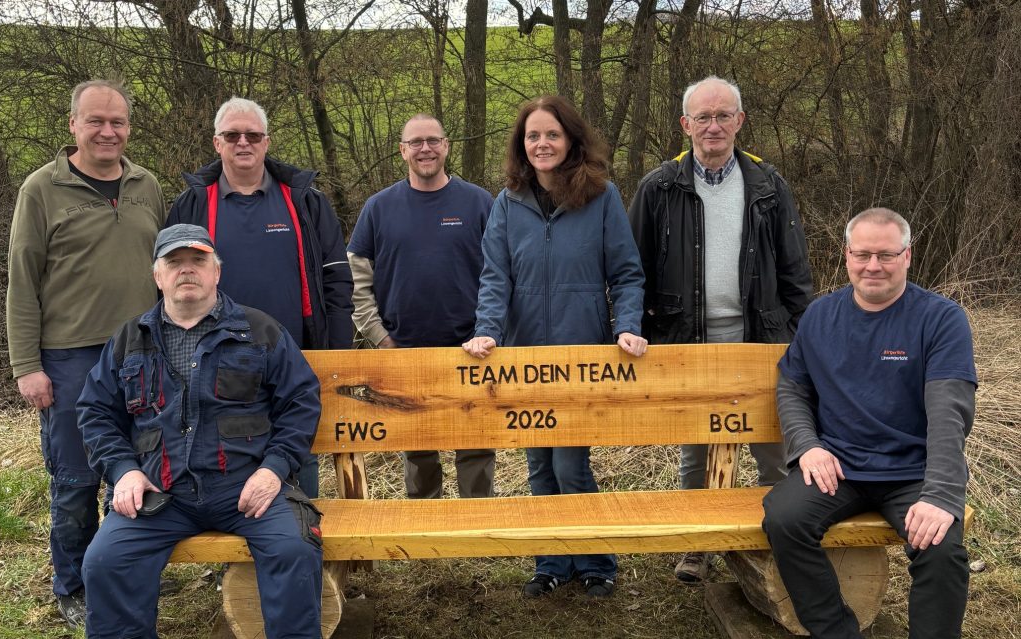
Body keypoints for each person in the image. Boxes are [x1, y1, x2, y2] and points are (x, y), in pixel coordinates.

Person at [77, 224, 325, 639]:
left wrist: (274, 468)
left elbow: (301, 402)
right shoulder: (130, 339)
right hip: (161, 495)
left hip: (247, 490)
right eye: (174, 262)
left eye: (198, 261)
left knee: (294, 552)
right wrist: (123, 471)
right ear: (157, 275)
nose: (186, 270)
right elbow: (95, 412)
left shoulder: (259, 330)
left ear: (216, 272)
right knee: (103, 563)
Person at [762, 208, 976, 639]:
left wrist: (940, 494)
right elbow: (793, 387)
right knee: (783, 517)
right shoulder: (820, 316)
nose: (872, 265)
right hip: (839, 468)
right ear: (846, 256)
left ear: (908, 256)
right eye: (862, 254)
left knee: (941, 549)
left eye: (885, 254)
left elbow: (948, 415)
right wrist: (807, 446)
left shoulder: (940, 319)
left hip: (912, 473)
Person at [627, 75, 813, 584]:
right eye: (703, 117)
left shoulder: (767, 185)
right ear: (685, 124)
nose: (714, 126)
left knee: (773, 446)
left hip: (761, 339)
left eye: (723, 115)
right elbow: (633, 269)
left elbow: (795, 270)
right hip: (689, 341)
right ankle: (699, 543)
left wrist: (802, 337)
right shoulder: (659, 186)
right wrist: (634, 327)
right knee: (698, 448)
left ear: (739, 121)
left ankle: (775, 541)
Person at [462, 95, 647, 599]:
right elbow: (496, 277)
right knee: (539, 464)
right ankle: (550, 562)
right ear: (522, 146)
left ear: (571, 141)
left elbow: (627, 274)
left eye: (552, 134)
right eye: (532, 136)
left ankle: (595, 562)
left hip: (580, 354)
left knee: (570, 464)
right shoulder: (507, 202)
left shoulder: (602, 197)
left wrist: (625, 325)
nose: (542, 143)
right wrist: (488, 330)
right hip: (524, 357)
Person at [5, 79, 165, 627]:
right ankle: (72, 586)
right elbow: (22, 283)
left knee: (138, 472)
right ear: (73, 124)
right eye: (95, 121)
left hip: (141, 352)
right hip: (70, 358)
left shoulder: (148, 185)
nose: (107, 131)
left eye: (117, 122)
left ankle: (121, 577)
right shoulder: (41, 189)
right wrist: (27, 365)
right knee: (76, 480)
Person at [165, 96, 353, 499]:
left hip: (296, 360)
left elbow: (337, 280)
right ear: (217, 143)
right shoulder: (192, 205)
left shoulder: (304, 201)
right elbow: (169, 286)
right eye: (232, 135)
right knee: (224, 465)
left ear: (267, 142)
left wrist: (337, 353)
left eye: (252, 134)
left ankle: (302, 550)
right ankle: (240, 556)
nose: (243, 142)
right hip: (214, 364)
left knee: (298, 459)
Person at [348, 114, 496, 499]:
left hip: (470, 348)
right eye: (416, 142)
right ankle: (424, 515)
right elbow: (357, 282)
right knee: (417, 442)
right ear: (403, 150)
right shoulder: (378, 208)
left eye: (433, 140)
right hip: (404, 348)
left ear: (446, 146)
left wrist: (488, 331)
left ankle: (476, 521)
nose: (425, 148)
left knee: (475, 439)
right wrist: (381, 339)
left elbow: (501, 272)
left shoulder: (479, 202)